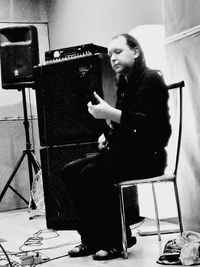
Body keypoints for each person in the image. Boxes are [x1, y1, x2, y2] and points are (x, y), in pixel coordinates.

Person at [62, 33, 171, 261]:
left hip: (148, 158)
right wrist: (107, 132)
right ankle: (91, 239)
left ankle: (116, 240)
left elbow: (148, 124)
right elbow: (125, 126)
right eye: (110, 53)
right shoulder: (123, 83)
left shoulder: (151, 79)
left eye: (118, 51)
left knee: (93, 173)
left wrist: (109, 114)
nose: (112, 58)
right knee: (70, 170)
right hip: (125, 155)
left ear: (136, 51)